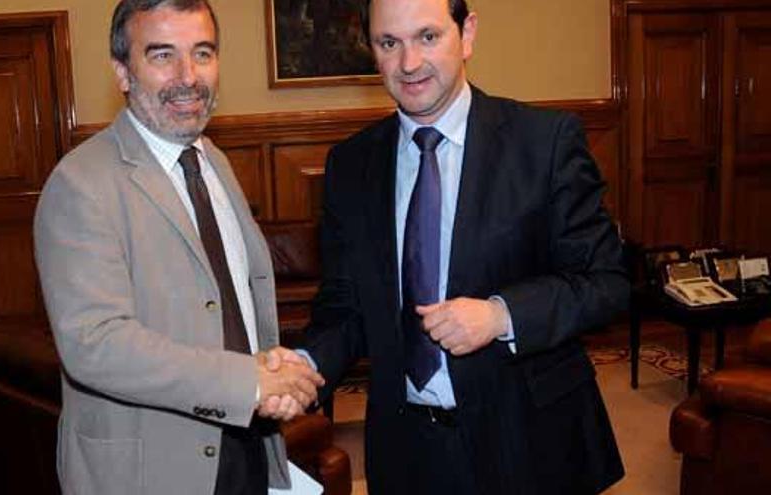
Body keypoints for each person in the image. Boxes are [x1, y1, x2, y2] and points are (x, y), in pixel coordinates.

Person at [280, 0, 629, 493]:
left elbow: (606, 283)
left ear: (466, 34)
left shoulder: (544, 142)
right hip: (406, 449)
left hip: (529, 440)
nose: (408, 63)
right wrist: (305, 365)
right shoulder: (349, 164)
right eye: (388, 43)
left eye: (427, 36)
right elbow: (345, 307)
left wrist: (501, 315)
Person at [33, 1, 323, 494]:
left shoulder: (213, 160)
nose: (188, 76)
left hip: (245, 443)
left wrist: (273, 372)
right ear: (122, 72)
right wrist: (247, 383)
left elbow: (234, 305)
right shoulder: (80, 183)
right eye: (162, 55)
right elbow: (96, 345)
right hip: (152, 470)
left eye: (202, 53)